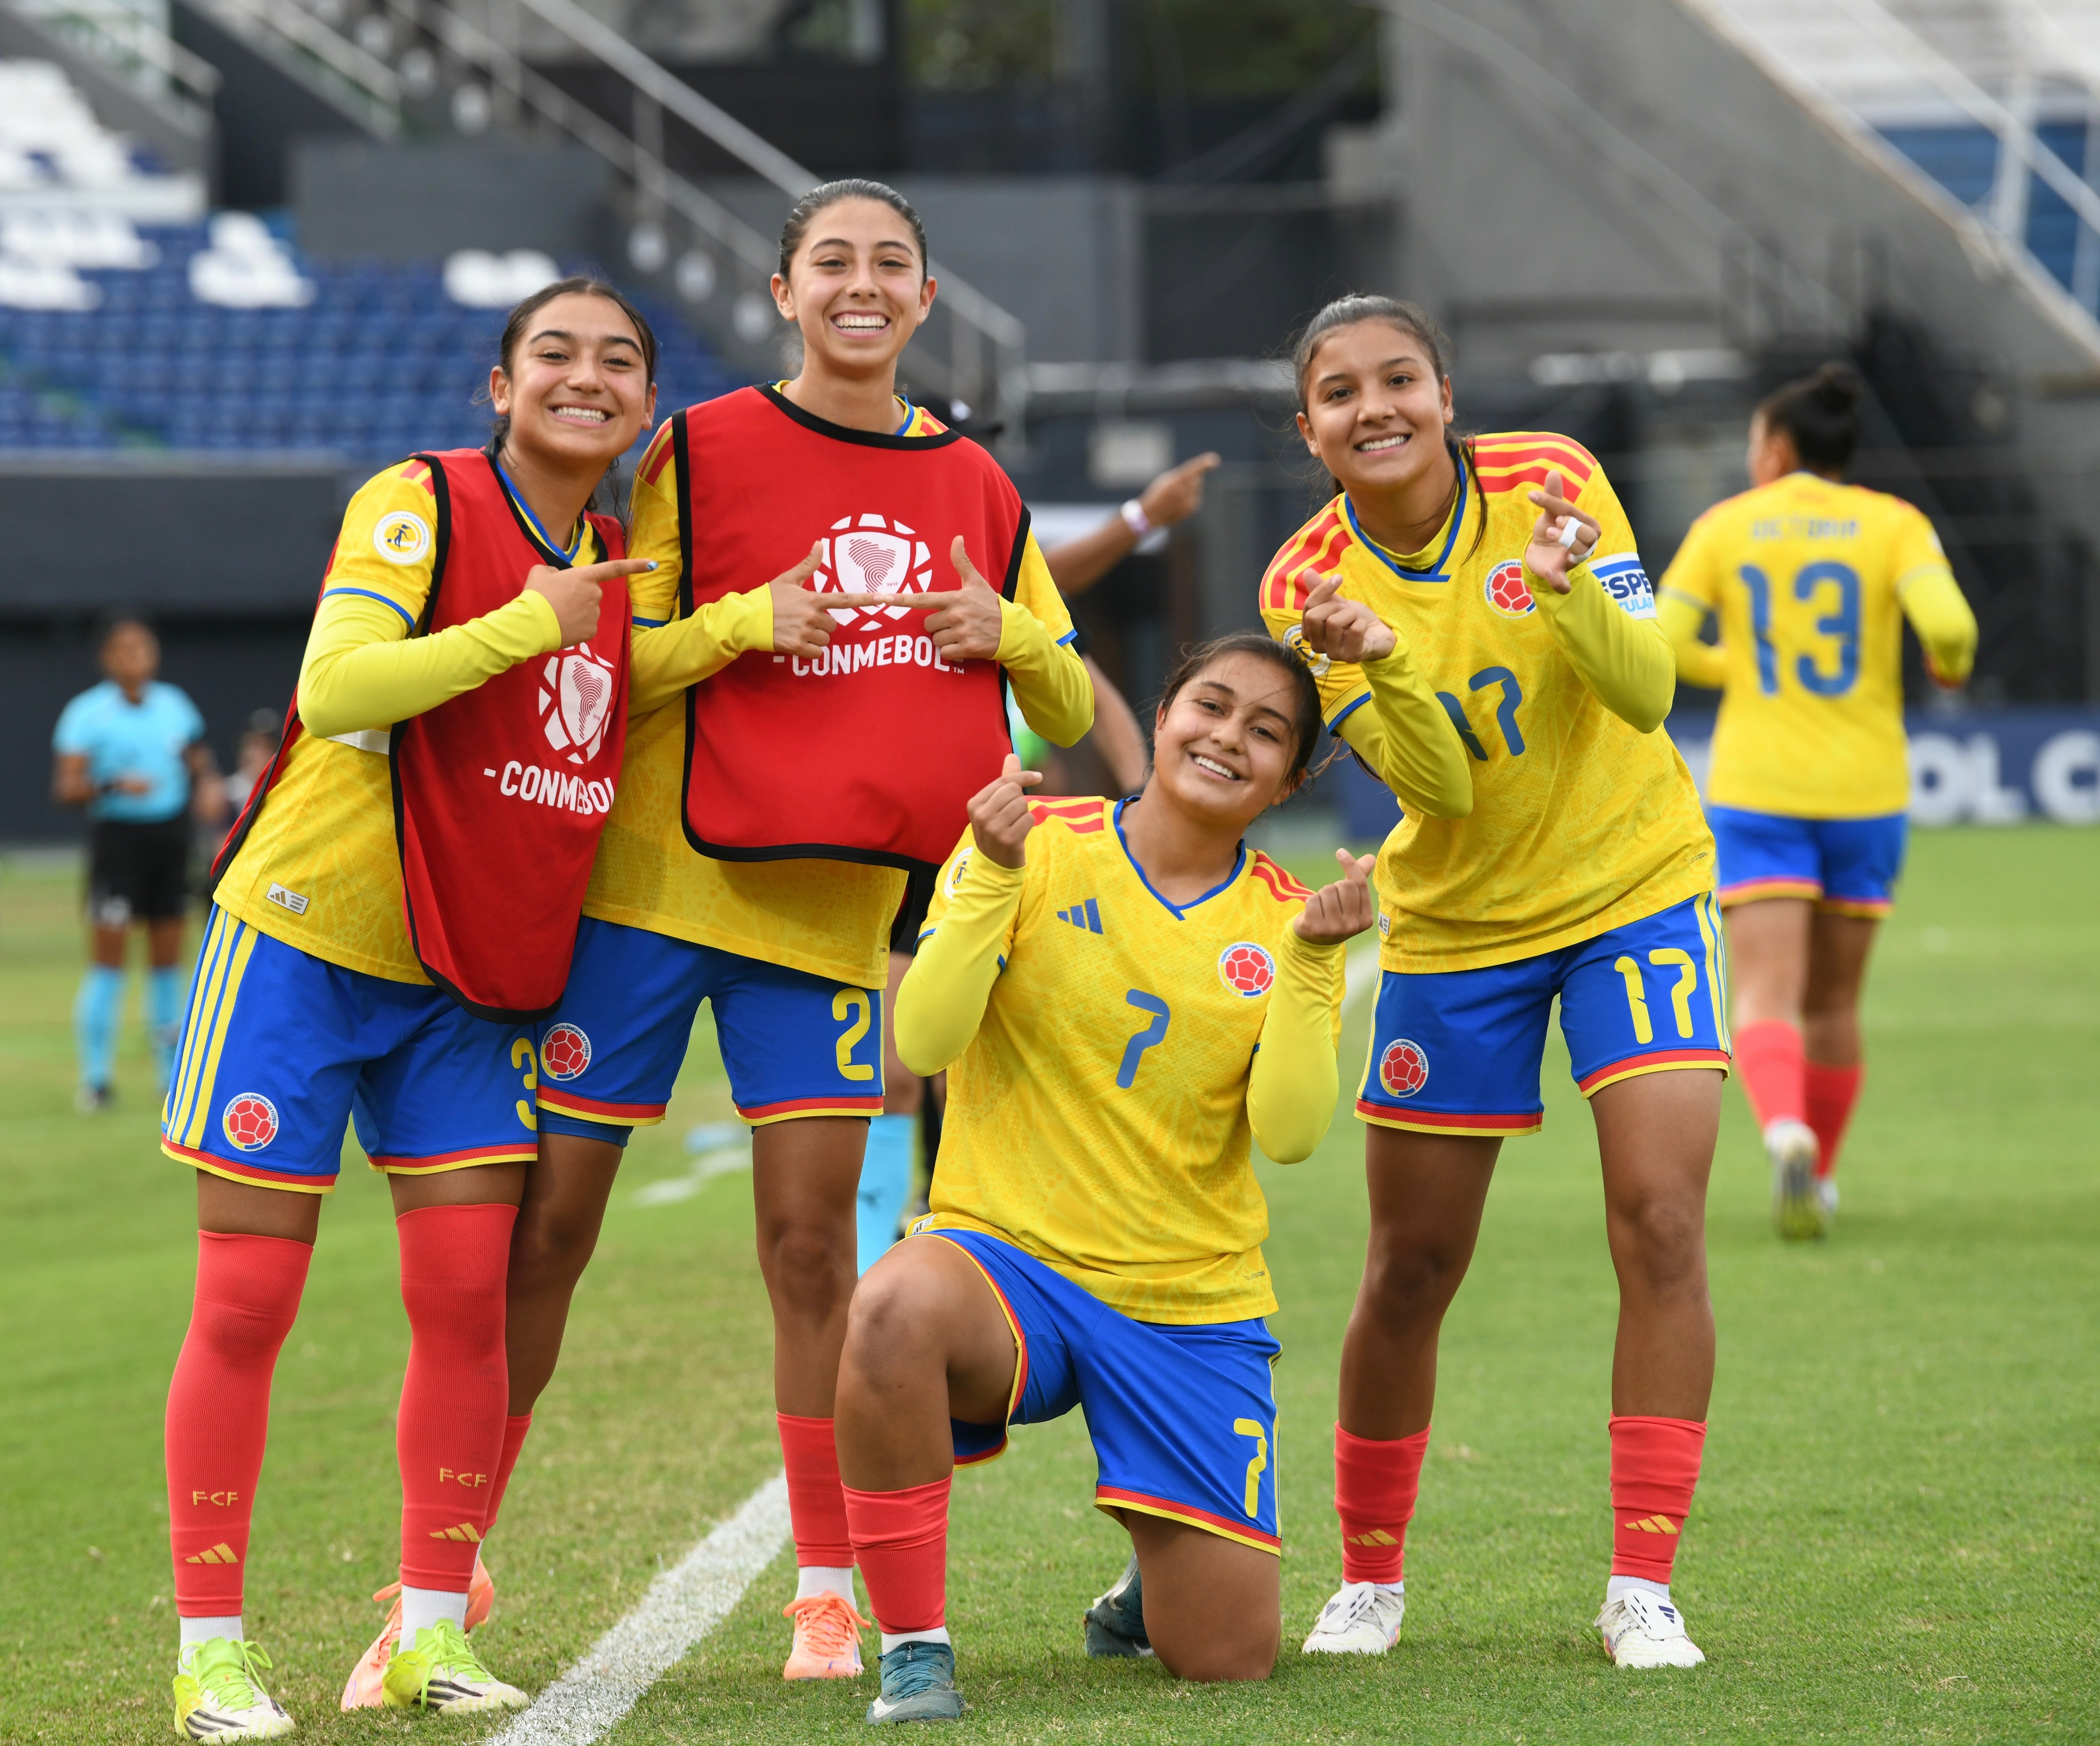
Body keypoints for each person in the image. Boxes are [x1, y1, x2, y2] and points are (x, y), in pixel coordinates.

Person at [509, 179, 1093, 1682]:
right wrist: (736, 624)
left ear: (923, 295)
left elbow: (1072, 707)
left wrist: (1009, 633)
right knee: (547, 1233)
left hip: (827, 917)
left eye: (887, 263)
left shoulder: (975, 480)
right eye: (829, 259)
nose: (859, 283)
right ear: (780, 291)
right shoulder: (693, 449)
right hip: (645, 896)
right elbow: (599, 654)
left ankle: (826, 1592)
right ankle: (436, 1585)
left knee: (806, 1249)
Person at [158, 277, 675, 1739]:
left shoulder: (611, 559)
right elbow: (337, 687)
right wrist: (526, 623)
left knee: (465, 1305)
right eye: (555, 355)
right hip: (304, 946)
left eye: (618, 361)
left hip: (470, 974)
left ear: (644, 403)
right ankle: (209, 1650)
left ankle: (426, 1634)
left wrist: (748, 620)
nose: (588, 377)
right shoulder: (423, 500)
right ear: (496, 388)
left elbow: (630, 678)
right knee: (249, 1299)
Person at [1263, 295, 1726, 1671]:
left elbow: (1643, 696)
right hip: (1455, 924)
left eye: (1397, 378)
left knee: (1658, 1222)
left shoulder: (1553, 481)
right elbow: (1441, 785)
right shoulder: (1302, 586)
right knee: (1408, 1266)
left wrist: (1567, 582)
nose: (1374, 407)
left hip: (1627, 888)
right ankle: (1366, 1577)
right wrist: (1380, 663)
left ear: (1445, 394)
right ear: (1309, 433)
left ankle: (1638, 1583)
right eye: (1338, 393)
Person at [836, 634, 1374, 1723]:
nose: (1228, 738)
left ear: (1289, 781)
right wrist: (987, 871)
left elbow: (1289, 1135)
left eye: (1265, 733)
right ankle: (913, 1649)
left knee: (1226, 1658)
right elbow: (925, 1042)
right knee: (889, 1304)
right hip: (1007, 1266)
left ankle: (1152, 1572)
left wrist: (1315, 966)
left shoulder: (1284, 920)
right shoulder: (1027, 844)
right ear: (1163, 713)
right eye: (1210, 707)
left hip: (1186, 1299)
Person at [868, 454, 1226, 1259]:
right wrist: (1142, 515)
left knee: (965, 1064)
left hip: (1006, 854)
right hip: (900, 853)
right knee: (894, 1071)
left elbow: (1088, 696)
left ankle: (967, 1227)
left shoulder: (1017, 602)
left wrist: (1143, 796)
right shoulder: (890, 594)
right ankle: (874, 1255)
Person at [1657, 363, 1975, 1238]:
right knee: (1835, 1005)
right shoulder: (1893, 524)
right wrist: (1947, 664)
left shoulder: (1727, 526)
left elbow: (1667, 640)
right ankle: (1821, 1175)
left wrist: (1742, 669)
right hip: (1866, 789)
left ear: (1776, 449)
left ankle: (1783, 1128)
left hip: (1758, 788)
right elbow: (1948, 628)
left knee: (1762, 992)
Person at [50, 615, 224, 1108]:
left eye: (144, 648)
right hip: (118, 843)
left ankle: (171, 1079)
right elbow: (65, 787)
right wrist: (111, 784)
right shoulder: (87, 714)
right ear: (107, 658)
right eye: (125, 650)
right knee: (109, 963)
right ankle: (97, 1080)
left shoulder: (174, 705)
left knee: (167, 964)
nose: (137, 658)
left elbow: (198, 760)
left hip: (169, 841)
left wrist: (208, 785)